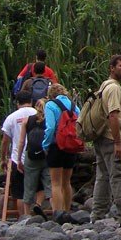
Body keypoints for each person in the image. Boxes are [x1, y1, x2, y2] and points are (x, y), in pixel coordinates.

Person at [91, 55, 121, 225]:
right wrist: (117, 143)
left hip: (101, 138)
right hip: (112, 139)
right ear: (112, 68)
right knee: (120, 175)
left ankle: (97, 215)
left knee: (102, 177)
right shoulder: (114, 88)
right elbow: (113, 115)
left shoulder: (104, 86)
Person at [43, 83, 80, 223]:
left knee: (55, 183)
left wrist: (45, 145)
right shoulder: (73, 105)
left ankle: (57, 214)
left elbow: (50, 127)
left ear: (50, 94)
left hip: (56, 146)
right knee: (66, 182)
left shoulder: (50, 105)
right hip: (70, 146)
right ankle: (67, 211)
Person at [0, 91, 37, 215]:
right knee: (41, 187)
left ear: (17, 103)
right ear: (31, 101)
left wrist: (3, 158)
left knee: (20, 192)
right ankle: (39, 210)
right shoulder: (38, 114)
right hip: (38, 155)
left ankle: (24, 218)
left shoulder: (11, 117)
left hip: (18, 158)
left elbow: (5, 141)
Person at [16, 98, 52, 218]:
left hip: (31, 155)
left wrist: (18, 159)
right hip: (46, 155)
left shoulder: (27, 120)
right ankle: (56, 212)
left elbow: (21, 142)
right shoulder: (49, 120)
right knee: (49, 185)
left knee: (29, 185)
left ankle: (27, 215)